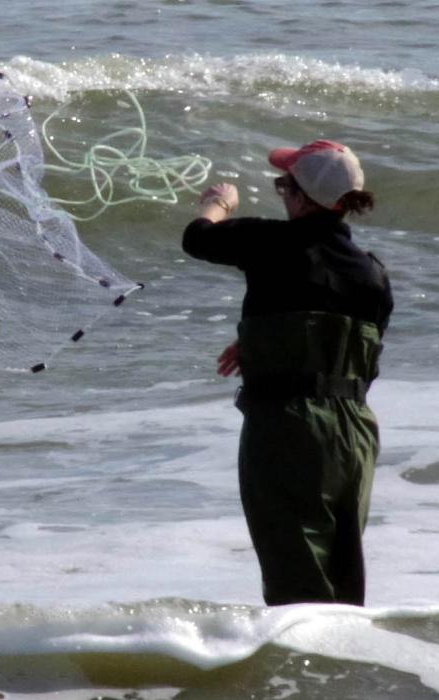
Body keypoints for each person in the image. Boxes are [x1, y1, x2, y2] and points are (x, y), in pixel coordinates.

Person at [181, 140, 392, 606]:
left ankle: (303, 674)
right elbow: (355, 349)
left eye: (283, 185)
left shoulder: (273, 243)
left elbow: (197, 239)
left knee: (295, 581)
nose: (282, 194)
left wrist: (218, 204)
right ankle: (344, 671)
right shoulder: (372, 274)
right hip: (355, 434)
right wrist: (261, 342)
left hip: (289, 428)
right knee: (343, 580)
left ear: (300, 197)